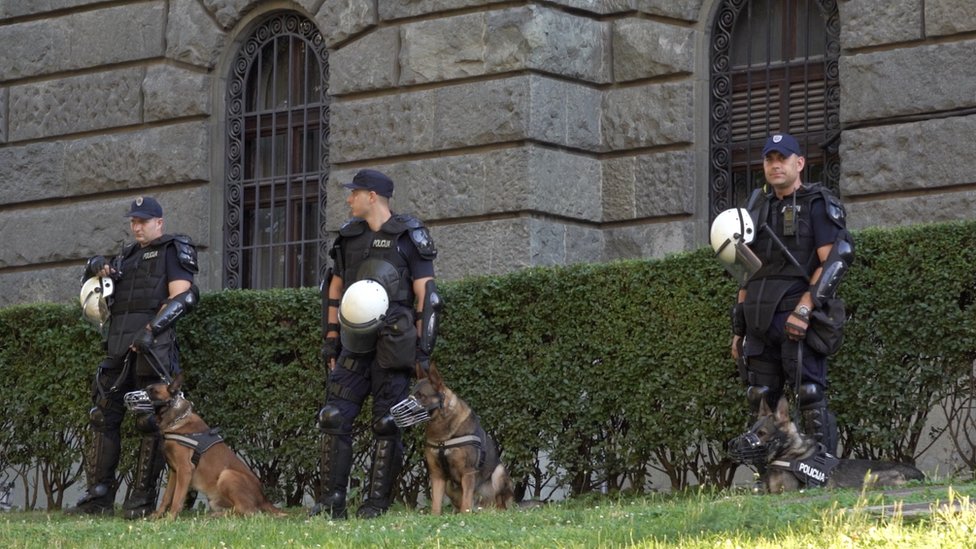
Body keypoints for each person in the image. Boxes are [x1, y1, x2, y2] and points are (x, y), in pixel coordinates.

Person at [309, 169, 441, 520]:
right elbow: (333, 291)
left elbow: (426, 296)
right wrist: (331, 340)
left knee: (388, 422)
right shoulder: (348, 238)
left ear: (373, 196)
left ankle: (375, 506)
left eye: (355, 193)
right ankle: (332, 502)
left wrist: (422, 351)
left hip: (394, 341)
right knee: (333, 416)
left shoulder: (408, 236)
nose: (349, 199)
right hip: (353, 342)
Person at [67, 196, 199, 518]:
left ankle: (141, 502)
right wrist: (94, 266)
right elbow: (96, 294)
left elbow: (185, 295)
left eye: (143, 221)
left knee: (148, 421)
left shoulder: (173, 249)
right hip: (117, 346)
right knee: (102, 416)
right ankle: (98, 498)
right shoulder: (125, 257)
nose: (137, 226)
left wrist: (152, 330)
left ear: (159, 223)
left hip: (152, 349)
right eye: (133, 221)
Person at [727, 133, 854, 456]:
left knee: (809, 393)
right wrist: (738, 330)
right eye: (769, 159)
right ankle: (773, 474)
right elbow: (745, 272)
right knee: (760, 397)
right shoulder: (755, 208)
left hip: (796, 317)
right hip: (758, 320)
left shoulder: (817, 204)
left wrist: (805, 309)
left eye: (782, 159)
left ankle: (822, 472)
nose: (775, 165)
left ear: (799, 163)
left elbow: (833, 261)